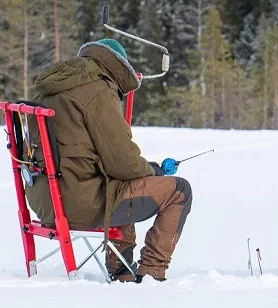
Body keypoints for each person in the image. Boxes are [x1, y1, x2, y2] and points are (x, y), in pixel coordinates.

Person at [24, 38, 193, 284]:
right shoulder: (98, 89)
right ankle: (152, 272)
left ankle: (121, 269)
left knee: (121, 181)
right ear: (119, 66)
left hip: (44, 199)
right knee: (179, 190)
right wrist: (154, 171)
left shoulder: (54, 85)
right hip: (77, 201)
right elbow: (123, 162)